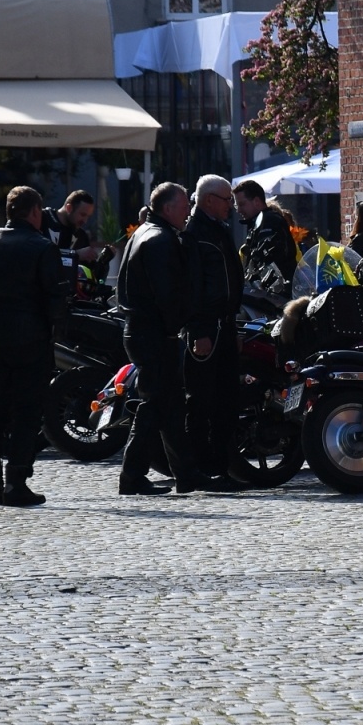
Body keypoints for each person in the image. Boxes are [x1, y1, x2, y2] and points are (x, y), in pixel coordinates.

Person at [115, 182, 239, 496]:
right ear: (168, 208)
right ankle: (132, 475)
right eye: (184, 207)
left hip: (148, 330)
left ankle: (186, 474)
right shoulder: (160, 239)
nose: (187, 212)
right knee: (155, 404)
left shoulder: (144, 233)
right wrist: (188, 325)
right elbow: (168, 294)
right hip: (155, 333)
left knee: (168, 407)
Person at [0, 186, 69, 506]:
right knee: (26, 410)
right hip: (31, 337)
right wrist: (54, 330)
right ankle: (16, 482)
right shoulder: (41, 246)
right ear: (34, 212)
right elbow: (57, 299)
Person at [182, 175, 252, 484]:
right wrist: (199, 331)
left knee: (227, 400)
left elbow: (230, 282)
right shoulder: (193, 233)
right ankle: (202, 468)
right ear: (209, 199)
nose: (232, 206)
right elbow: (193, 287)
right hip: (207, 328)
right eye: (227, 200)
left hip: (224, 325)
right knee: (201, 401)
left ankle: (222, 467)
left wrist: (234, 325)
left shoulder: (219, 231)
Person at [234, 178, 298, 286]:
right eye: (237, 206)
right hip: (268, 290)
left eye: (242, 204)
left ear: (256, 202)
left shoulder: (269, 220)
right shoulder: (258, 222)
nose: (238, 210)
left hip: (277, 291)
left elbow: (267, 258)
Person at [43, 189, 108, 266]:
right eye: (82, 215)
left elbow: (89, 271)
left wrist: (104, 258)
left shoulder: (81, 236)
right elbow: (38, 254)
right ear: (69, 208)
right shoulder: (43, 220)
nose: (85, 221)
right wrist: (75, 254)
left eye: (88, 217)